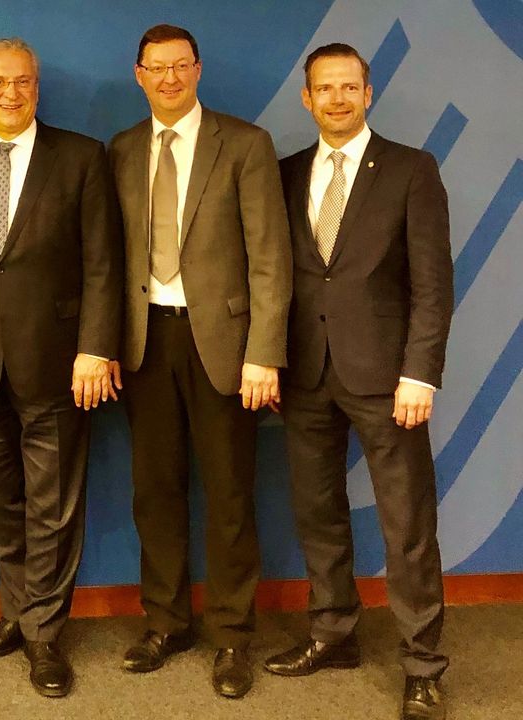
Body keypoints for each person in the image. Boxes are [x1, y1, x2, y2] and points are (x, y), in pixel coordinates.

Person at [0, 37, 121, 698]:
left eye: (23, 82)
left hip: (61, 364)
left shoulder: (81, 158)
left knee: (53, 505)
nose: (11, 93)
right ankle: (18, 609)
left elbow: (102, 263)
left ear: (38, 87)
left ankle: (43, 634)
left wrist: (96, 346)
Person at [263, 43, 453, 720]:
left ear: (368, 94)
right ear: (307, 99)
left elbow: (433, 286)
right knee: (318, 516)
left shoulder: (410, 169)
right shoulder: (284, 175)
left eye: (350, 87)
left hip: (387, 379)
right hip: (306, 373)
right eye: (324, 88)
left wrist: (419, 374)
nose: (337, 99)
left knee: (407, 527)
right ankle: (333, 633)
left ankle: (424, 666)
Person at [108, 23, 291, 699]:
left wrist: (264, 353)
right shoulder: (122, 150)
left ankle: (233, 636)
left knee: (230, 495)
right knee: (154, 494)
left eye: (179, 66)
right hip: (145, 343)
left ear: (198, 70)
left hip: (226, 347)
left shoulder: (244, 144)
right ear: (138, 75)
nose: (168, 79)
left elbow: (271, 260)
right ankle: (165, 622)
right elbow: (109, 260)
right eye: (155, 68)